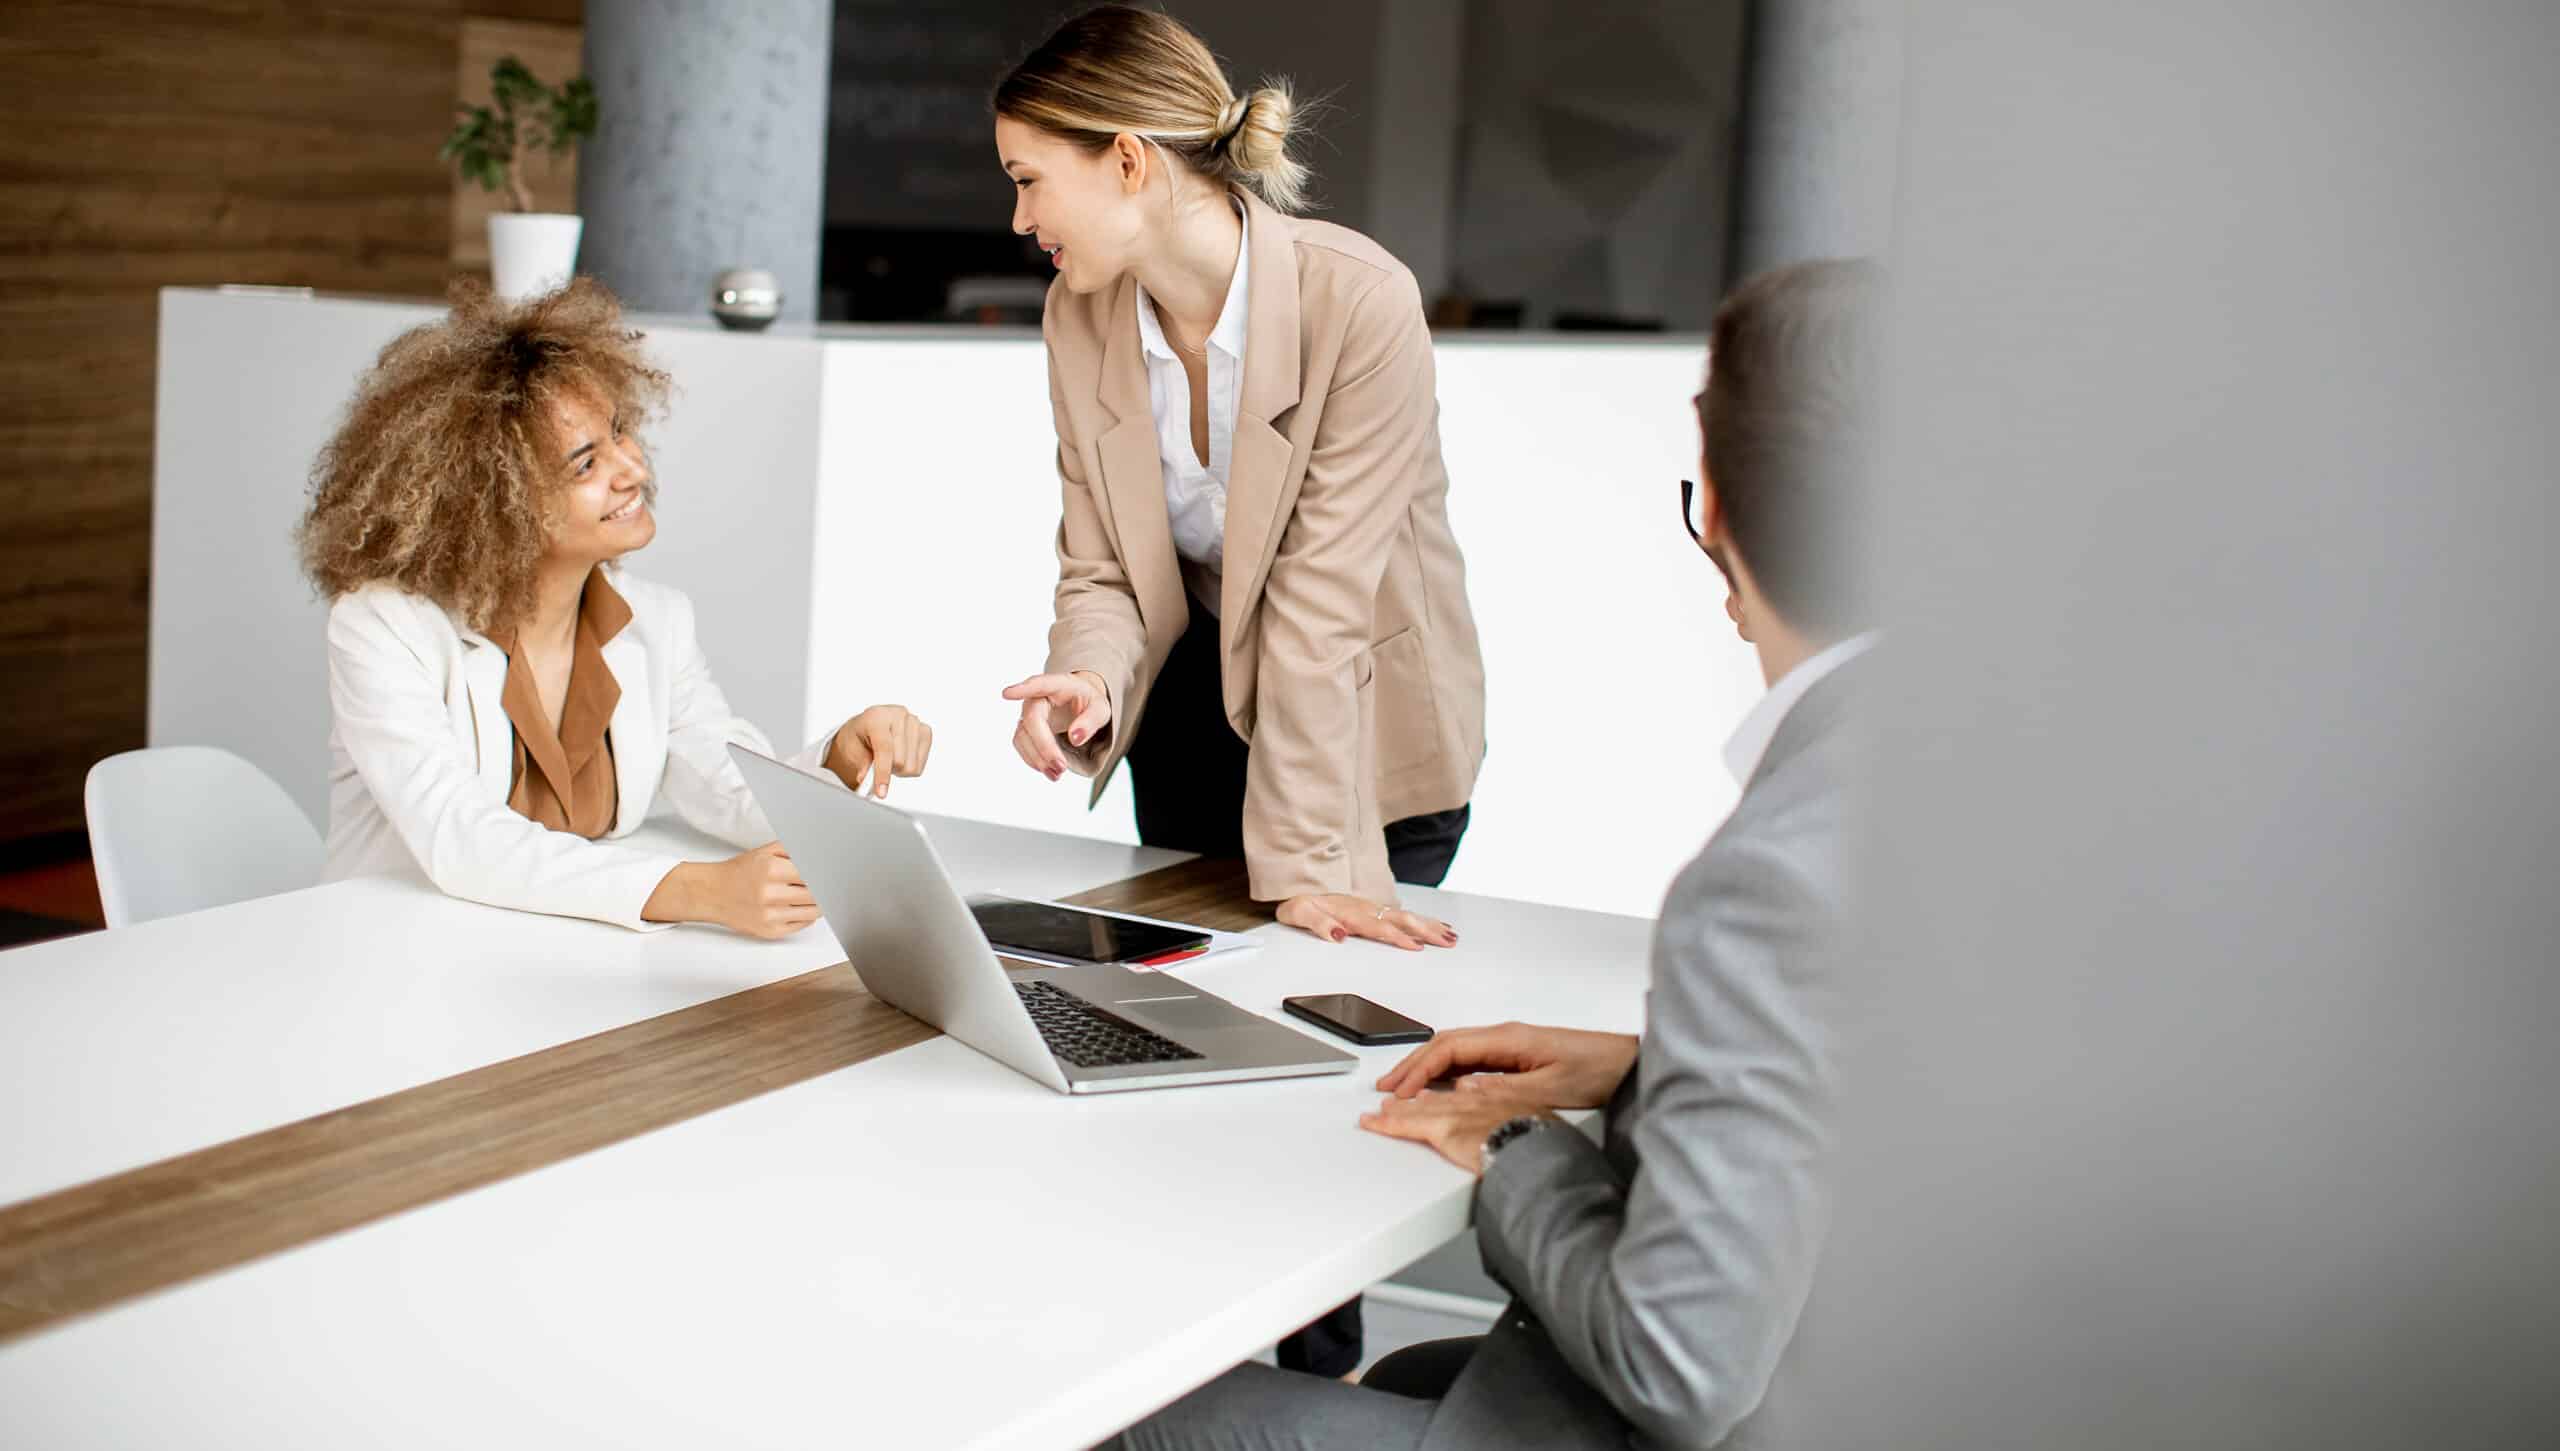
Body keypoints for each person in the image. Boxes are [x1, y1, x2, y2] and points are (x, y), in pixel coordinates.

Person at [1101, 257, 1886, 1451]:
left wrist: (1513, 1146)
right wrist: (1641, 1069)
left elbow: (1679, 1370)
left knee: (1135, 1423)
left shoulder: (1772, 880)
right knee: (1417, 1362)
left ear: (1715, 507)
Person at [991, 4, 1487, 958]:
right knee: (1195, 1007)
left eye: (1029, 181)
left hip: (1355, 734)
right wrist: (1090, 674)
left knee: (1321, 1013)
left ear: (1128, 162)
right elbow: (1102, 564)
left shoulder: (1360, 301)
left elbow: (1322, 600)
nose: (1020, 218)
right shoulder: (1078, 315)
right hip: (1190, 728)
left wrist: (1307, 862)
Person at [298, 279, 932, 937]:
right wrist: (695, 889)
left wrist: (842, 758)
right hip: (390, 962)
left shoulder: (657, 623)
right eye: (585, 464)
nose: (631, 468)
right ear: (493, 500)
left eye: (621, 433)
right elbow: (461, 840)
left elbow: (730, 789)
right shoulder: (382, 628)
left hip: (569, 970)